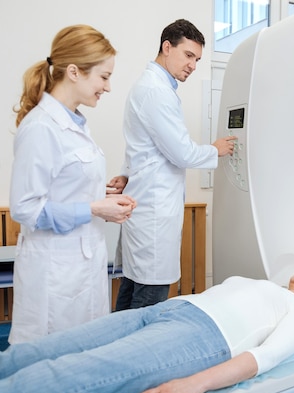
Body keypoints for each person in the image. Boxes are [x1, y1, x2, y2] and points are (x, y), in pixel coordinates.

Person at [0, 263, 294, 393]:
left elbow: (267, 356)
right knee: (28, 354)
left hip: (200, 338)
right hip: (164, 312)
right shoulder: (264, 283)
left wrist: (196, 383)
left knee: (64, 375)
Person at [8, 25, 137, 345]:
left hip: (81, 265)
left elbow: (65, 187)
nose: (107, 87)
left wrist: (102, 200)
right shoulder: (41, 127)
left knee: (81, 351)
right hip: (54, 271)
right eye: (104, 77)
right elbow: (26, 208)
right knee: (47, 359)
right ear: (75, 72)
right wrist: (95, 207)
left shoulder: (76, 123)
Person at [107, 19, 236, 310]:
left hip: (147, 204)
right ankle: (137, 355)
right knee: (148, 302)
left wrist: (127, 174)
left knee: (131, 292)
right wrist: (216, 150)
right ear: (167, 47)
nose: (193, 65)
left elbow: (141, 147)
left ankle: (118, 349)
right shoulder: (156, 91)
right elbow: (182, 153)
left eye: (198, 59)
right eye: (188, 55)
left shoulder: (152, 86)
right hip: (153, 211)